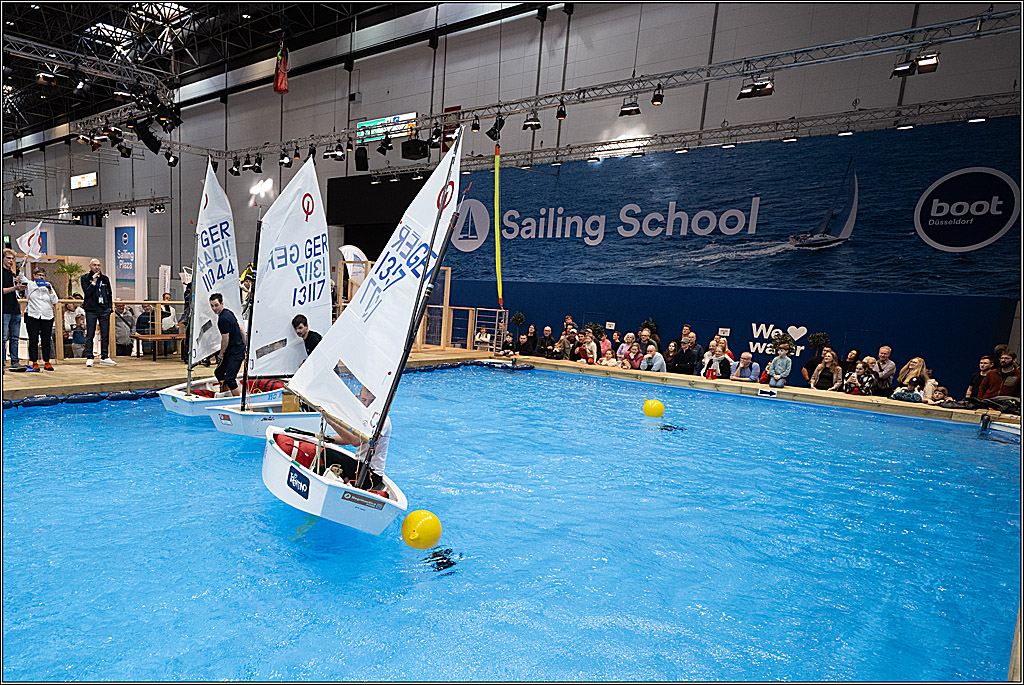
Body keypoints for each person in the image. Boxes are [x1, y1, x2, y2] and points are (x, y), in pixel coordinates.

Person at [320, 386, 391, 491]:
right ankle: (343, 479)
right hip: (358, 466)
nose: (366, 404)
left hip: (370, 475)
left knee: (327, 453)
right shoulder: (362, 417)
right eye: (364, 400)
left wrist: (332, 423)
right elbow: (350, 439)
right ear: (358, 398)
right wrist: (331, 439)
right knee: (322, 465)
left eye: (371, 401)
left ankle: (345, 479)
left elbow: (355, 441)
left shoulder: (381, 421)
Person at [80, 258, 116, 367]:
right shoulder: (85, 278)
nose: (97, 267)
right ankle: (90, 356)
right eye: (95, 265)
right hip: (91, 310)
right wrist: (94, 282)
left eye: (99, 265)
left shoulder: (105, 279)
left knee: (105, 334)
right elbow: (87, 292)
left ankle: (104, 356)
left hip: (104, 309)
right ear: (90, 266)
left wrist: (109, 308)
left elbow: (109, 293)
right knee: (90, 334)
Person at [210, 292, 246, 396]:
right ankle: (225, 393)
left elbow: (225, 339)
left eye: (216, 305)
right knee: (219, 372)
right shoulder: (229, 312)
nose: (214, 308)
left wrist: (221, 353)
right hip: (232, 350)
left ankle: (237, 400)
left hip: (236, 352)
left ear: (222, 304)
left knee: (230, 378)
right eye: (212, 305)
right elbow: (241, 329)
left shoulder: (223, 319)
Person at [24, 267, 59, 371]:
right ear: (34, 276)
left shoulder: (48, 287)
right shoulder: (30, 284)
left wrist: (50, 290)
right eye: (39, 275)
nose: (41, 277)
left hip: (47, 316)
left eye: (43, 276)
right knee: (33, 340)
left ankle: (47, 362)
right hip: (33, 315)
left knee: (46, 340)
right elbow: (21, 277)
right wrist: (23, 263)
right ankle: (34, 362)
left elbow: (55, 300)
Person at [2, 248, 28, 371]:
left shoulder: (12, 274)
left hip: (15, 308)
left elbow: (15, 290)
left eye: (12, 259)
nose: (11, 261)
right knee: (2, 338)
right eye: (8, 258)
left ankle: (15, 361)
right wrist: (14, 288)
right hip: (4, 309)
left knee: (15, 337)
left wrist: (19, 288)